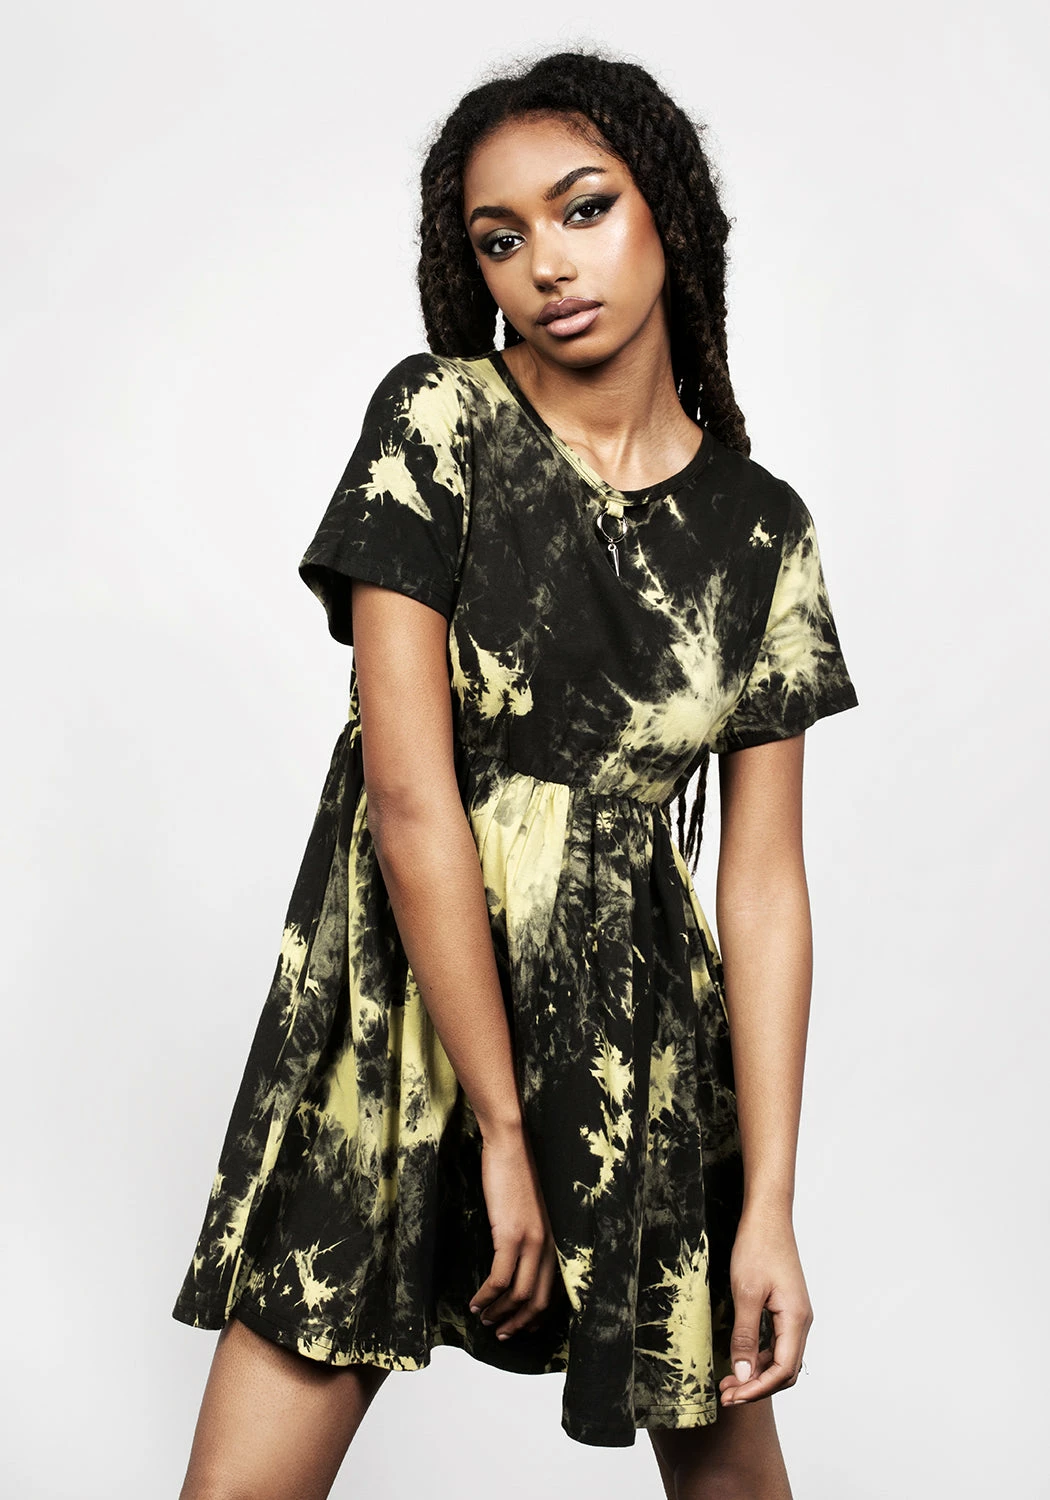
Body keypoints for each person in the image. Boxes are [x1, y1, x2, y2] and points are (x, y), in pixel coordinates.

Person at [172, 47, 859, 1500]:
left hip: (634, 1048)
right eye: (501, 239)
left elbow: (763, 887)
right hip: (402, 1033)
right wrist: (498, 1124)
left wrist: (772, 1210)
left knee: (733, 1480)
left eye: (583, 208)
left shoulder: (759, 532)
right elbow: (412, 796)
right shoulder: (438, 424)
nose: (546, 264)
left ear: (667, 210)